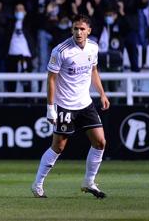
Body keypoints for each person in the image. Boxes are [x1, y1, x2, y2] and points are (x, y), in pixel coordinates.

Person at [31, 14, 110, 199]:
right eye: (75, 28)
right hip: (65, 105)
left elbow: (93, 71)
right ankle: (38, 184)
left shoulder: (93, 47)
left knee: (100, 142)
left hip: (85, 104)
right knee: (58, 147)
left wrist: (102, 94)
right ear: (71, 30)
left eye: (82, 29)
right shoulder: (61, 51)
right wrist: (50, 108)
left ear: (89, 30)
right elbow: (51, 79)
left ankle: (89, 182)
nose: (78, 32)